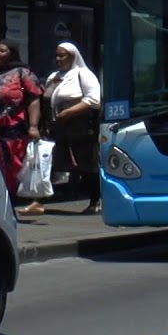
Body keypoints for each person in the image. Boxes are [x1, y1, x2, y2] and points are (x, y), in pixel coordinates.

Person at [37, 41, 103, 215]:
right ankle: (37, 201)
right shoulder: (54, 77)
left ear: (72, 57)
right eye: (56, 55)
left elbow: (94, 100)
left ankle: (95, 200)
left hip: (80, 129)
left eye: (62, 55)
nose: (58, 59)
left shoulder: (84, 75)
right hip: (56, 129)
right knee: (47, 164)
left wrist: (68, 113)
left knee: (86, 166)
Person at [0, 40, 43, 200]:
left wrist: (33, 126)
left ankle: (10, 199)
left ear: (12, 53)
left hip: (12, 130)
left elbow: (32, 98)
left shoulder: (21, 74)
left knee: (10, 166)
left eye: (2, 51)